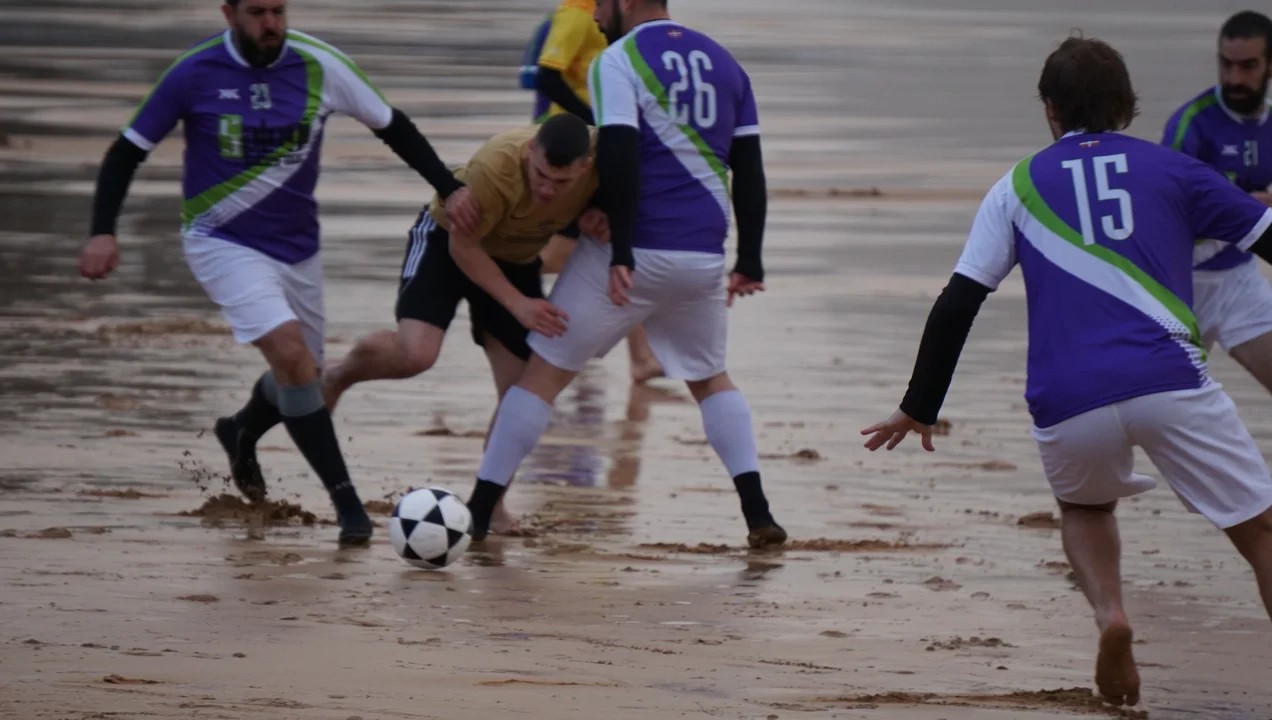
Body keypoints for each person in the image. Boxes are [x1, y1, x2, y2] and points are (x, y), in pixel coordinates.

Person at [860, 35, 1272, 708]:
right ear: (1127, 105)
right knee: (1258, 531)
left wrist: (919, 405)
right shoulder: (1177, 171)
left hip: (1068, 397)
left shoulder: (1016, 187)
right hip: (1168, 379)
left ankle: (1110, 615)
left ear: (1050, 109)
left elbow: (959, 301)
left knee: (1084, 506)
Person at [76, 0, 479, 548]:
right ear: (229, 14)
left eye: (279, 10)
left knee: (305, 373)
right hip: (220, 240)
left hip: (297, 248)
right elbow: (127, 151)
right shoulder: (194, 72)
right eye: (258, 12)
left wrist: (449, 188)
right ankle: (349, 509)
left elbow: (393, 127)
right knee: (290, 355)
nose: (271, 24)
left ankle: (241, 429)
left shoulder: (320, 64)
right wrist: (103, 231)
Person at [461, 0, 786, 550]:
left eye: (603, 2)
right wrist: (749, 259)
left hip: (636, 251)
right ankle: (758, 512)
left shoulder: (618, 59)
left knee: (543, 375)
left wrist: (622, 254)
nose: (595, 13)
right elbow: (750, 168)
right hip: (704, 255)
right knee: (710, 379)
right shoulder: (726, 63)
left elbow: (618, 153)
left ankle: (476, 512)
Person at [320, 114, 599, 534]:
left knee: (522, 392)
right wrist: (518, 304)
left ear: (585, 168)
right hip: (446, 242)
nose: (547, 190)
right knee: (416, 354)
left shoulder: (605, 164)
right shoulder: (496, 165)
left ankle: (494, 505)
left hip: (517, 259)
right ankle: (337, 374)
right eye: (540, 175)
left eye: (561, 183)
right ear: (530, 151)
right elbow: (463, 247)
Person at [523, 0, 666, 384]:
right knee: (565, 252)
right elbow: (547, 77)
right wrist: (599, 122)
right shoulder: (577, 12)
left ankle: (641, 358)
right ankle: (497, 289)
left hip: (597, 150)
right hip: (572, 153)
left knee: (616, 244)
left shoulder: (613, 23)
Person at [1163, 10, 1272, 390]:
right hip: (1183, 288)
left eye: (1247, 66)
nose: (1234, 78)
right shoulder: (1190, 125)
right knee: (1161, 407)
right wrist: (1245, 207)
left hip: (1240, 282)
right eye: (1226, 65)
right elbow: (1164, 218)